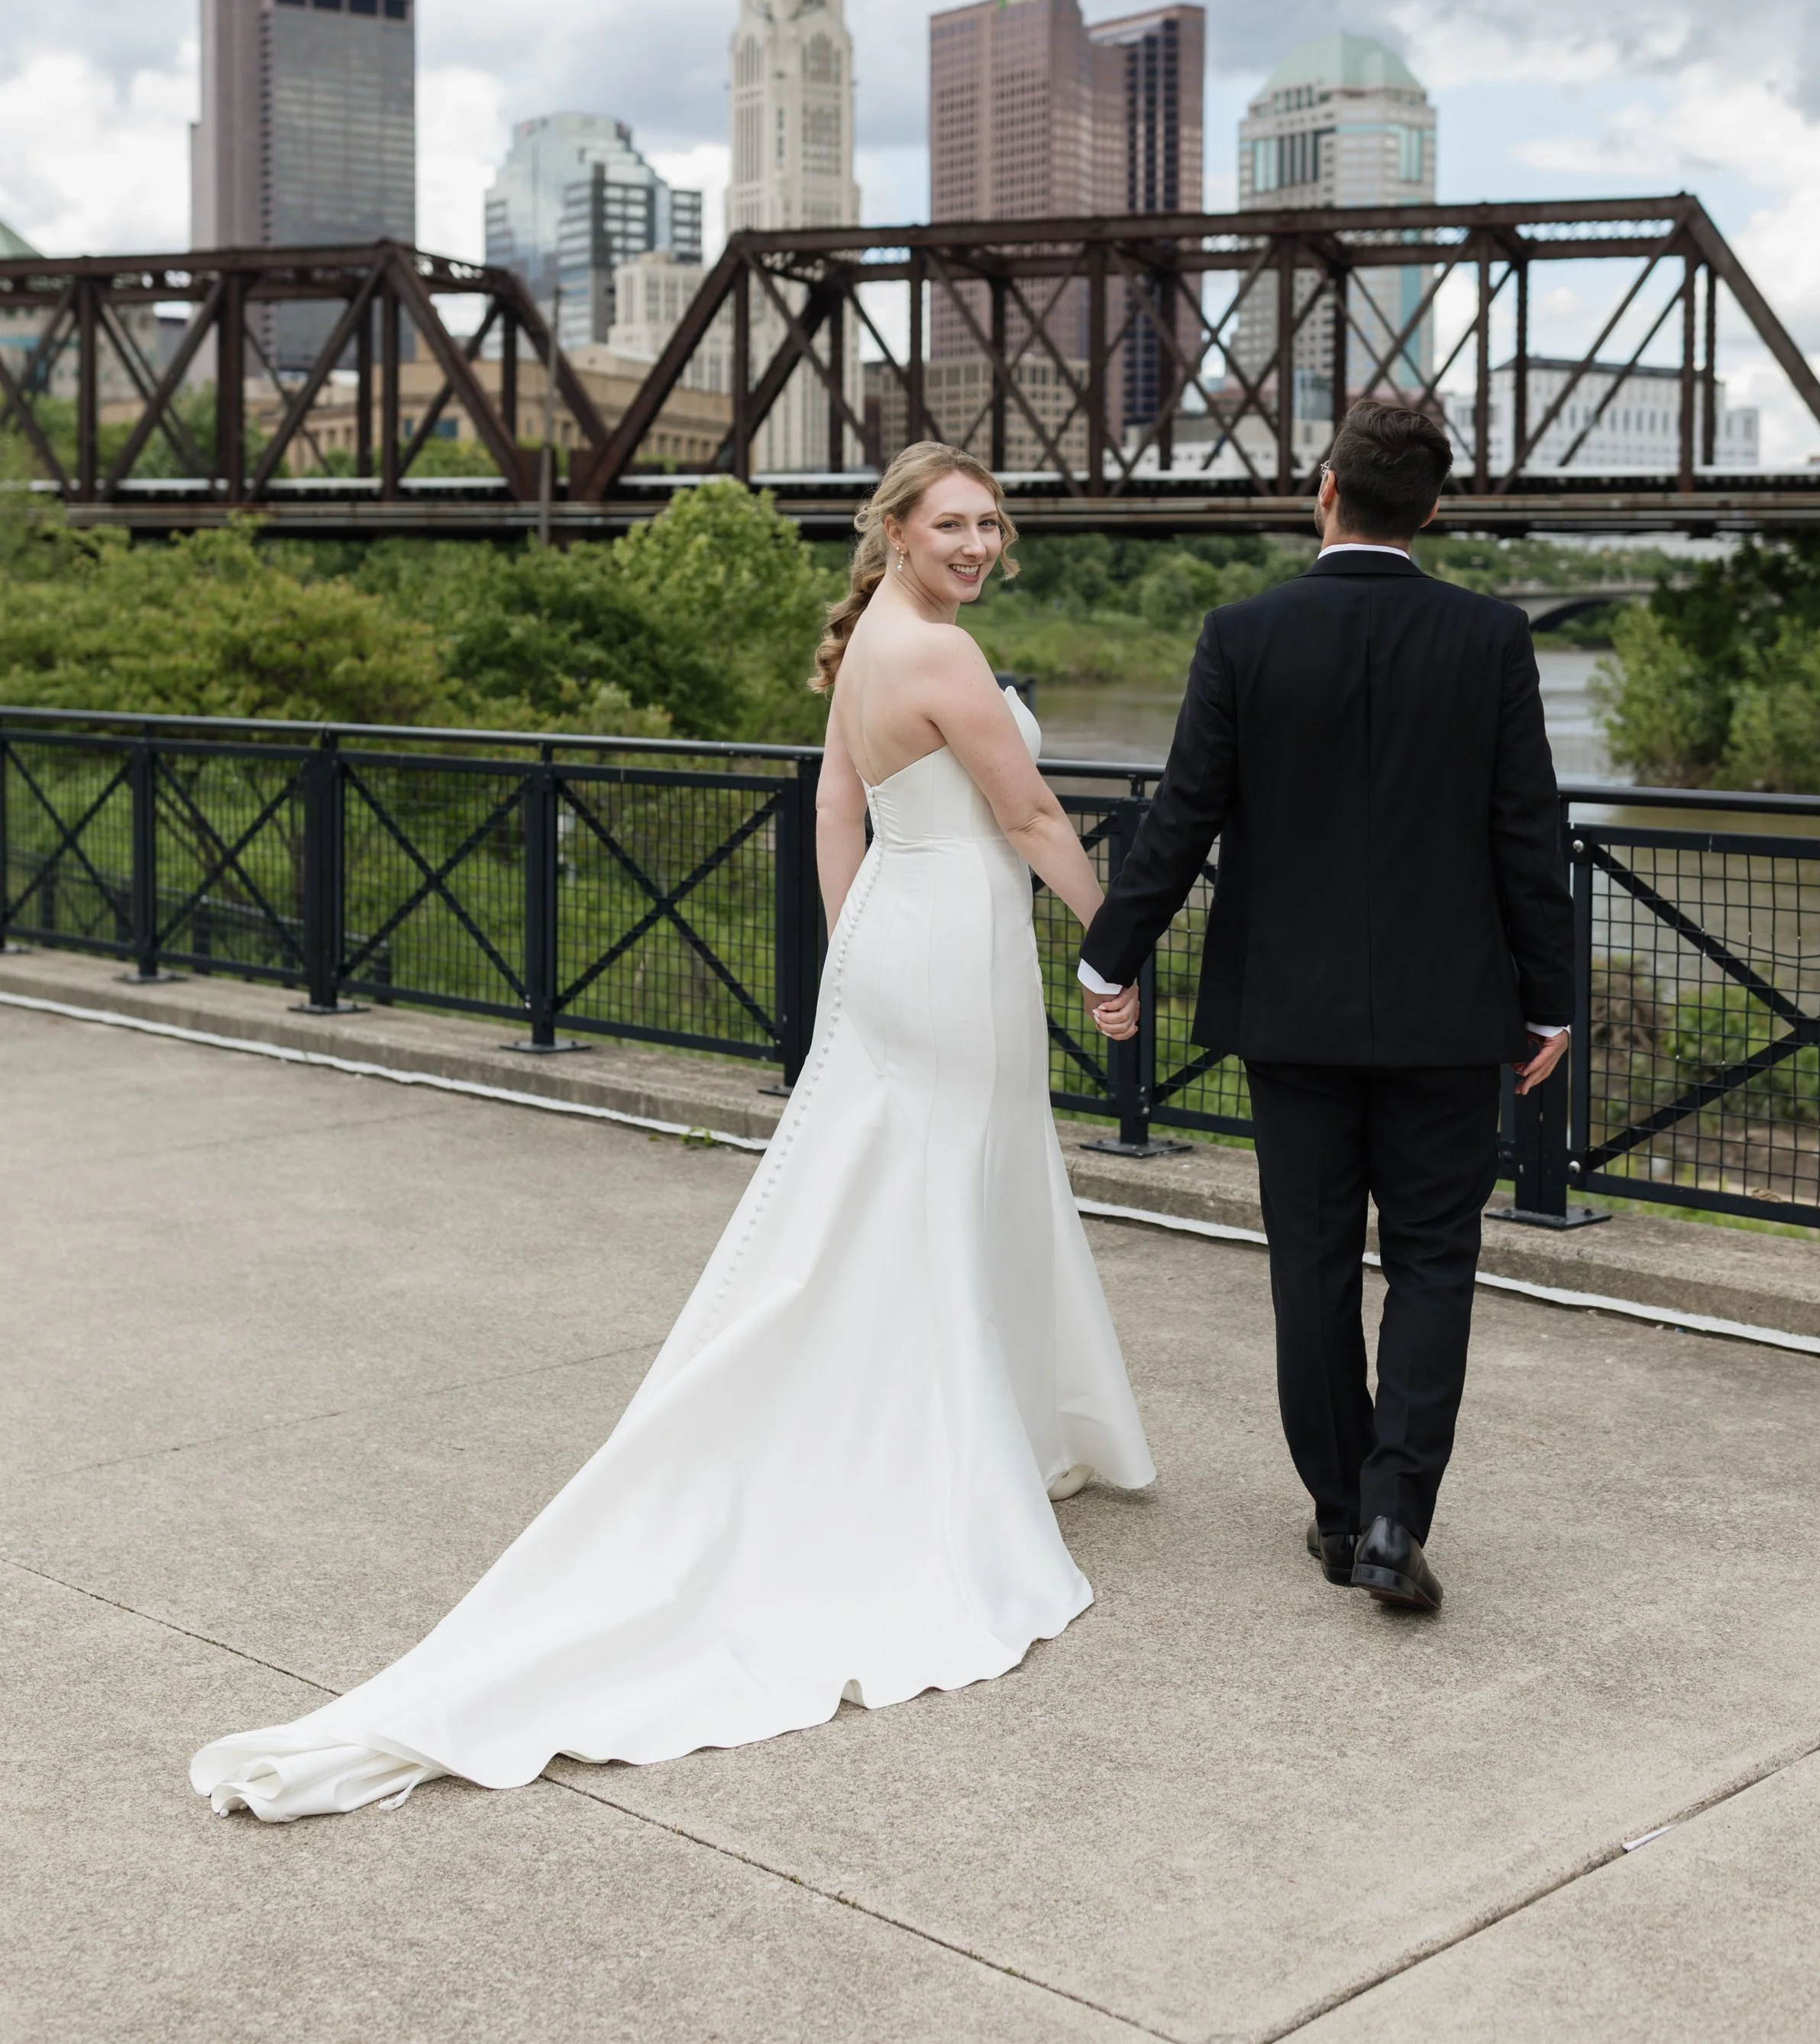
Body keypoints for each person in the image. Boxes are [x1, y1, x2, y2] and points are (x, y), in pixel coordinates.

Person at [189, 444, 1152, 1822]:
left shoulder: (872, 641)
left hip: (898, 935)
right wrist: (1112, 952)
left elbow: (837, 810)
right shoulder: (941, 650)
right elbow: (1034, 811)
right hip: (953, 940)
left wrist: (854, 944)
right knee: (948, 1191)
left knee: (923, 1190)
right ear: (895, 527)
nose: (979, 543)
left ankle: (987, 1417)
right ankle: (940, 1457)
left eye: (993, 523)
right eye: (953, 522)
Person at [1076, 399, 1572, 1614]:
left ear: (1325, 486)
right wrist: (1552, 1001)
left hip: (1288, 1017)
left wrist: (1110, 956)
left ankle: (1342, 1512)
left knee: (1309, 1266)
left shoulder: (1242, 634)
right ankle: (1398, 1511)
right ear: (1435, 509)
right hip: (1451, 1014)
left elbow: (1183, 817)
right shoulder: (1491, 637)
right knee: (1434, 1261)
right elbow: (1528, 835)